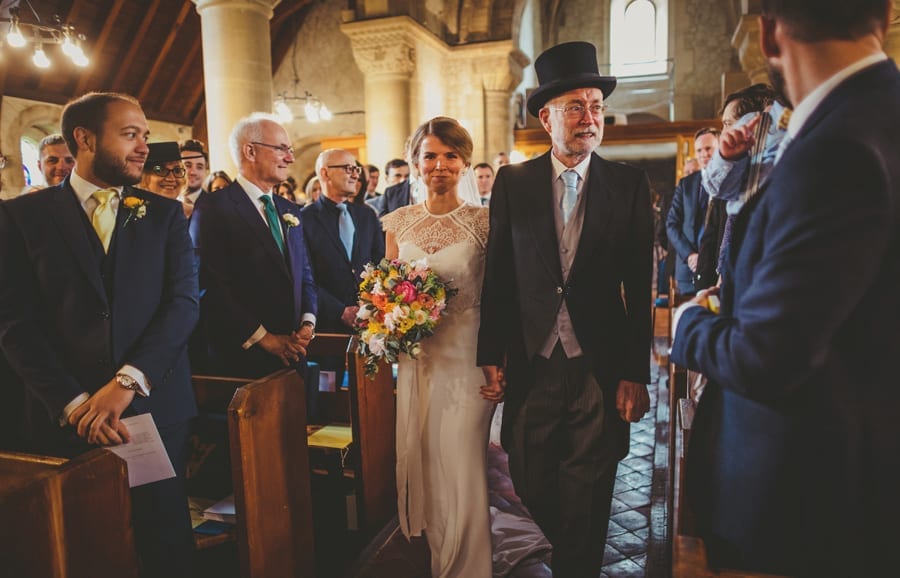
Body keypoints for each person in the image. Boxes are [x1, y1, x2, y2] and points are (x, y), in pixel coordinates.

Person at [671, 0, 900, 575]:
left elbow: (768, 355)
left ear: (769, 34)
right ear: (884, 19)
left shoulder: (835, 147)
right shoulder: (876, 115)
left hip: (808, 496)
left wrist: (689, 323)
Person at [0, 92, 199, 577]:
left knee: (164, 542)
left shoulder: (164, 215)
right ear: (85, 139)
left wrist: (125, 383)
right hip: (67, 415)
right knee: (80, 545)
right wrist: (75, 404)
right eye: (130, 135)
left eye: (145, 136)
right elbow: (14, 322)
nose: (143, 148)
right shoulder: (21, 217)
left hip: (152, 407)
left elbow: (182, 304)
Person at [477, 41, 653, 578]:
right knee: (530, 478)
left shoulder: (627, 185)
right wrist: (492, 353)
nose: (589, 117)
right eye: (575, 106)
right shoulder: (514, 183)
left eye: (596, 106)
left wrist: (634, 374)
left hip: (597, 364)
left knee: (592, 482)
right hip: (533, 360)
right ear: (547, 117)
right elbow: (500, 277)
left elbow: (640, 287)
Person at [382, 117, 500, 578]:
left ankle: (470, 567)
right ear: (415, 163)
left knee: (462, 464)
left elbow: (499, 298)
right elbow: (385, 288)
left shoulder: (484, 223)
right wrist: (389, 322)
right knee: (427, 462)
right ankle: (438, 558)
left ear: (465, 162)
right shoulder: (397, 222)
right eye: (430, 155)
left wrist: (498, 361)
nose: (440, 165)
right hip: (419, 361)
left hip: (468, 359)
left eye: (450, 155)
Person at [190, 113, 316, 379]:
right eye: (282, 149)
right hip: (243, 357)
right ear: (250, 151)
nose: (290, 158)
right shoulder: (214, 208)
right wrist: (266, 339)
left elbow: (304, 273)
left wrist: (307, 321)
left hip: (294, 351)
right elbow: (211, 285)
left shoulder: (289, 209)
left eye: (290, 150)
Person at [301, 149, 384, 334]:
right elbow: (304, 276)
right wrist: (340, 311)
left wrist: (371, 302)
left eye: (356, 169)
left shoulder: (366, 215)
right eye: (348, 168)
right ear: (325, 173)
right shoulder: (304, 219)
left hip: (371, 321)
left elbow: (381, 263)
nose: (356, 174)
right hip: (327, 323)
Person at [666, 128, 719, 295]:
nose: (704, 154)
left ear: (718, 148)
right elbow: (671, 224)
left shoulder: (727, 181)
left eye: (708, 148)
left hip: (717, 269)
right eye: (699, 150)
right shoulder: (685, 185)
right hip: (688, 270)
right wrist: (689, 255)